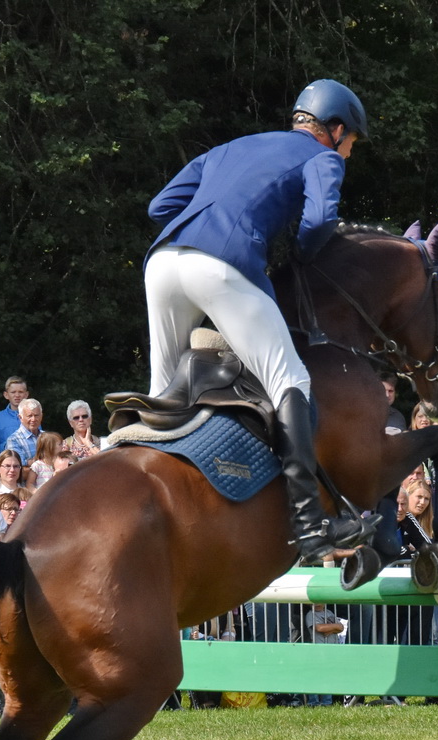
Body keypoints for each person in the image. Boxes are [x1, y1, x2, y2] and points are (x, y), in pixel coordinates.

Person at [142, 78, 369, 564]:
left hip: (162, 263)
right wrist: (299, 253)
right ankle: (309, 528)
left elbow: (159, 207)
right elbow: (318, 223)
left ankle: (151, 502)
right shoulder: (322, 157)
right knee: (290, 378)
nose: (348, 154)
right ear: (334, 129)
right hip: (222, 266)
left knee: (163, 396)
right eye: (350, 142)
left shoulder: (231, 147)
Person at [0, 377, 28, 453]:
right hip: (7, 462)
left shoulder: (33, 416)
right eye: (13, 392)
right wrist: (7, 446)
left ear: (26, 394)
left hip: (31, 462)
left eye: (20, 392)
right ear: (6, 395)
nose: (17, 395)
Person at [62, 400, 99, 465]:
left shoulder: (100, 443)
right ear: (71, 423)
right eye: (76, 418)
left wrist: (88, 443)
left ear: (90, 419)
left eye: (84, 416)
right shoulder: (65, 445)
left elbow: (107, 463)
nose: (81, 420)